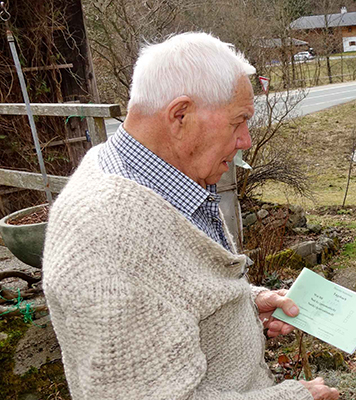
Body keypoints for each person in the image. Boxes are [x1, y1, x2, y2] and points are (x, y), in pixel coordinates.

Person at [42, 32, 339, 400]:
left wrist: (245, 303)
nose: (246, 139)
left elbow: (169, 293)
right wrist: (296, 397)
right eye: (238, 121)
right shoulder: (107, 236)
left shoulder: (152, 174)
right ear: (180, 115)